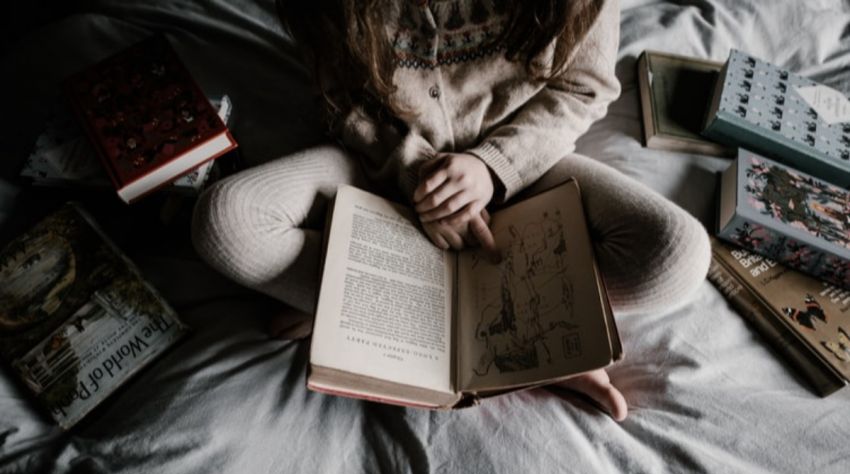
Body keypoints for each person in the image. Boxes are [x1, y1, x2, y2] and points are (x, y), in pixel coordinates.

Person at [191, 0, 711, 422]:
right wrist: (420, 178)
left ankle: (362, 304)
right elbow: (344, 101)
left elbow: (584, 87)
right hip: (375, 163)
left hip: (523, 166)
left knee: (676, 255)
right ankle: (375, 308)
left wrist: (491, 168)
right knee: (226, 221)